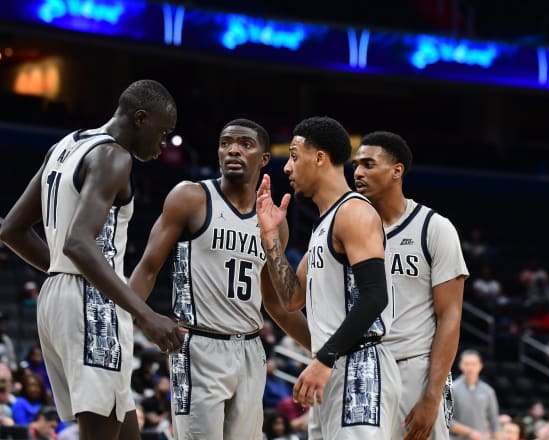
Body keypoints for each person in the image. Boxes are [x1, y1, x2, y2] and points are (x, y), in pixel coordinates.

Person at [0, 79, 186, 440]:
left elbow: (11, 230)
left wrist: (63, 272)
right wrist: (146, 315)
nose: (164, 145)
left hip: (57, 294)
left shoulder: (65, 145)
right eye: (163, 133)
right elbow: (80, 243)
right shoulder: (114, 156)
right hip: (92, 304)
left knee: (122, 424)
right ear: (141, 119)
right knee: (99, 430)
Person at [128, 118, 310, 439]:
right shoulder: (191, 197)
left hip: (251, 350)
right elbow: (147, 268)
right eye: (226, 143)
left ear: (264, 159)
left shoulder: (273, 222)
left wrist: (323, 351)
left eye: (245, 144)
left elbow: (277, 304)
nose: (233, 150)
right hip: (198, 345)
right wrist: (132, 320)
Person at [256, 116, 402, 439]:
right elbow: (292, 299)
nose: (287, 168)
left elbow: (375, 295)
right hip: (333, 366)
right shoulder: (323, 225)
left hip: (360, 367)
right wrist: (271, 241)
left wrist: (324, 358)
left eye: (295, 156)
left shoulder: (354, 212)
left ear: (319, 157)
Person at [352, 131, 468, 440]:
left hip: (413, 371)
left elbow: (451, 316)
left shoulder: (434, 228)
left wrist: (431, 396)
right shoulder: (345, 230)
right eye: (356, 165)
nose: (358, 172)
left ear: (396, 170)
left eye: (368, 164)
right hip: (362, 371)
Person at [450, 350, 500, 440]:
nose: (470, 368)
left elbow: (494, 423)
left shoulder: (488, 391)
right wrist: (470, 432)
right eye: (467, 364)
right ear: (461, 365)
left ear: (480, 366)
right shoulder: (452, 389)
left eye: (473, 364)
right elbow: (447, 420)